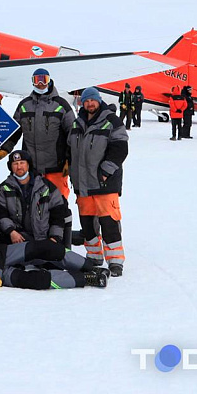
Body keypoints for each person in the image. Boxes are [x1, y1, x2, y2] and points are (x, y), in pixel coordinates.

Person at [67, 87, 129, 277]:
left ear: (98, 100)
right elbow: (70, 149)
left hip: (105, 184)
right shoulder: (77, 123)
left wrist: (105, 172)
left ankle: (115, 261)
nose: (89, 104)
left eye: (92, 101)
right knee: (87, 224)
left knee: (109, 222)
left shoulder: (111, 121)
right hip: (83, 185)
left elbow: (120, 148)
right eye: (86, 101)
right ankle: (94, 256)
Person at [0, 68, 76, 200]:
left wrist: (69, 160)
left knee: (58, 205)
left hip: (56, 168)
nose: (41, 83)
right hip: (32, 169)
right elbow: (15, 131)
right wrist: (5, 149)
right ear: (32, 82)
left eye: (44, 79)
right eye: (37, 80)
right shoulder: (24, 105)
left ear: (49, 81)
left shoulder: (61, 105)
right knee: (32, 204)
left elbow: (73, 134)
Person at [0, 150, 71, 245]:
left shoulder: (47, 187)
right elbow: (1, 215)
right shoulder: (3, 188)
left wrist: (54, 238)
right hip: (17, 239)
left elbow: (58, 215)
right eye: (15, 164)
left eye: (22, 163)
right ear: (11, 167)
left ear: (28, 165)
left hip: (44, 239)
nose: (19, 167)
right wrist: (11, 232)